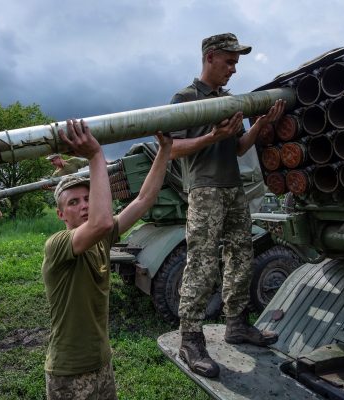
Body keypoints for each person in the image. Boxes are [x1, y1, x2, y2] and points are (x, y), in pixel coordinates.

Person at [169, 33, 286, 378]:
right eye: (230, 62)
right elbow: (171, 149)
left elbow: (237, 148)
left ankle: (236, 324)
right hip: (204, 191)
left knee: (242, 255)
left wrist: (261, 123)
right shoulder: (186, 98)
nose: (234, 69)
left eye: (236, 63)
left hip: (233, 188)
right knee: (202, 263)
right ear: (210, 58)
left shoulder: (229, 101)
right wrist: (212, 136)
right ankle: (190, 339)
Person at [43, 119, 172, 400]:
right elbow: (101, 222)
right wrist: (95, 155)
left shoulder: (102, 237)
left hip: (102, 362)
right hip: (70, 372)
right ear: (61, 214)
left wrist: (165, 149)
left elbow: (144, 200)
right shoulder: (57, 245)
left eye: (88, 198)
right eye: (73, 202)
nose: (84, 205)